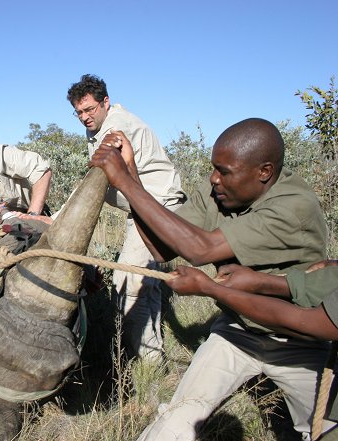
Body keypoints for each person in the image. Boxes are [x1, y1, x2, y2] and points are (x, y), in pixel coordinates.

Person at [89, 117, 329, 440]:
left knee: (322, 430)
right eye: (214, 168)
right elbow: (162, 248)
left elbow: (200, 250)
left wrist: (124, 183)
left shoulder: (294, 208)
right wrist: (131, 171)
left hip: (298, 339)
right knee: (173, 424)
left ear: (264, 173)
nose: (214, 179)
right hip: (237, 331)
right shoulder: (219, 189)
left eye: (225, 171)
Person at [67, 74, 186, 360]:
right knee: (147, 284)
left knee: (127, 280)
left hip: (159, 205)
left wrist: (61, 217)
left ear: (105, 102)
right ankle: (153, 354)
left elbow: (98, 180)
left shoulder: (116, 127)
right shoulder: (99, 127)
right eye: (78, 112)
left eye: (89, 109)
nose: (84, 117)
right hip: (142, 207)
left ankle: (147, 362)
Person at [166, 262, 338, 437]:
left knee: (326, 428)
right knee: (177, 419)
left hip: (301, 346)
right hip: (237, 333)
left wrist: (210, 288)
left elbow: (307, 323)